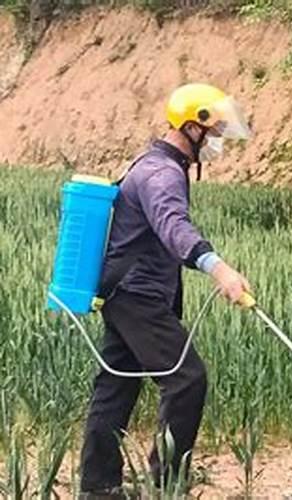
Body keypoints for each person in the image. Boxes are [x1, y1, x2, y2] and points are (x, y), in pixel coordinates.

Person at [78, 83, 252, 499]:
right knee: (187, 378)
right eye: (214, 134)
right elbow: (174, 225)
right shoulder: (162, 174)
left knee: (117, 385)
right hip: (137, 296)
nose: (218, 143)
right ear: (193, 128)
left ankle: (98, 487)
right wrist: (219, 268)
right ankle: (166, 485)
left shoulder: (155, 163)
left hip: (123, 293)